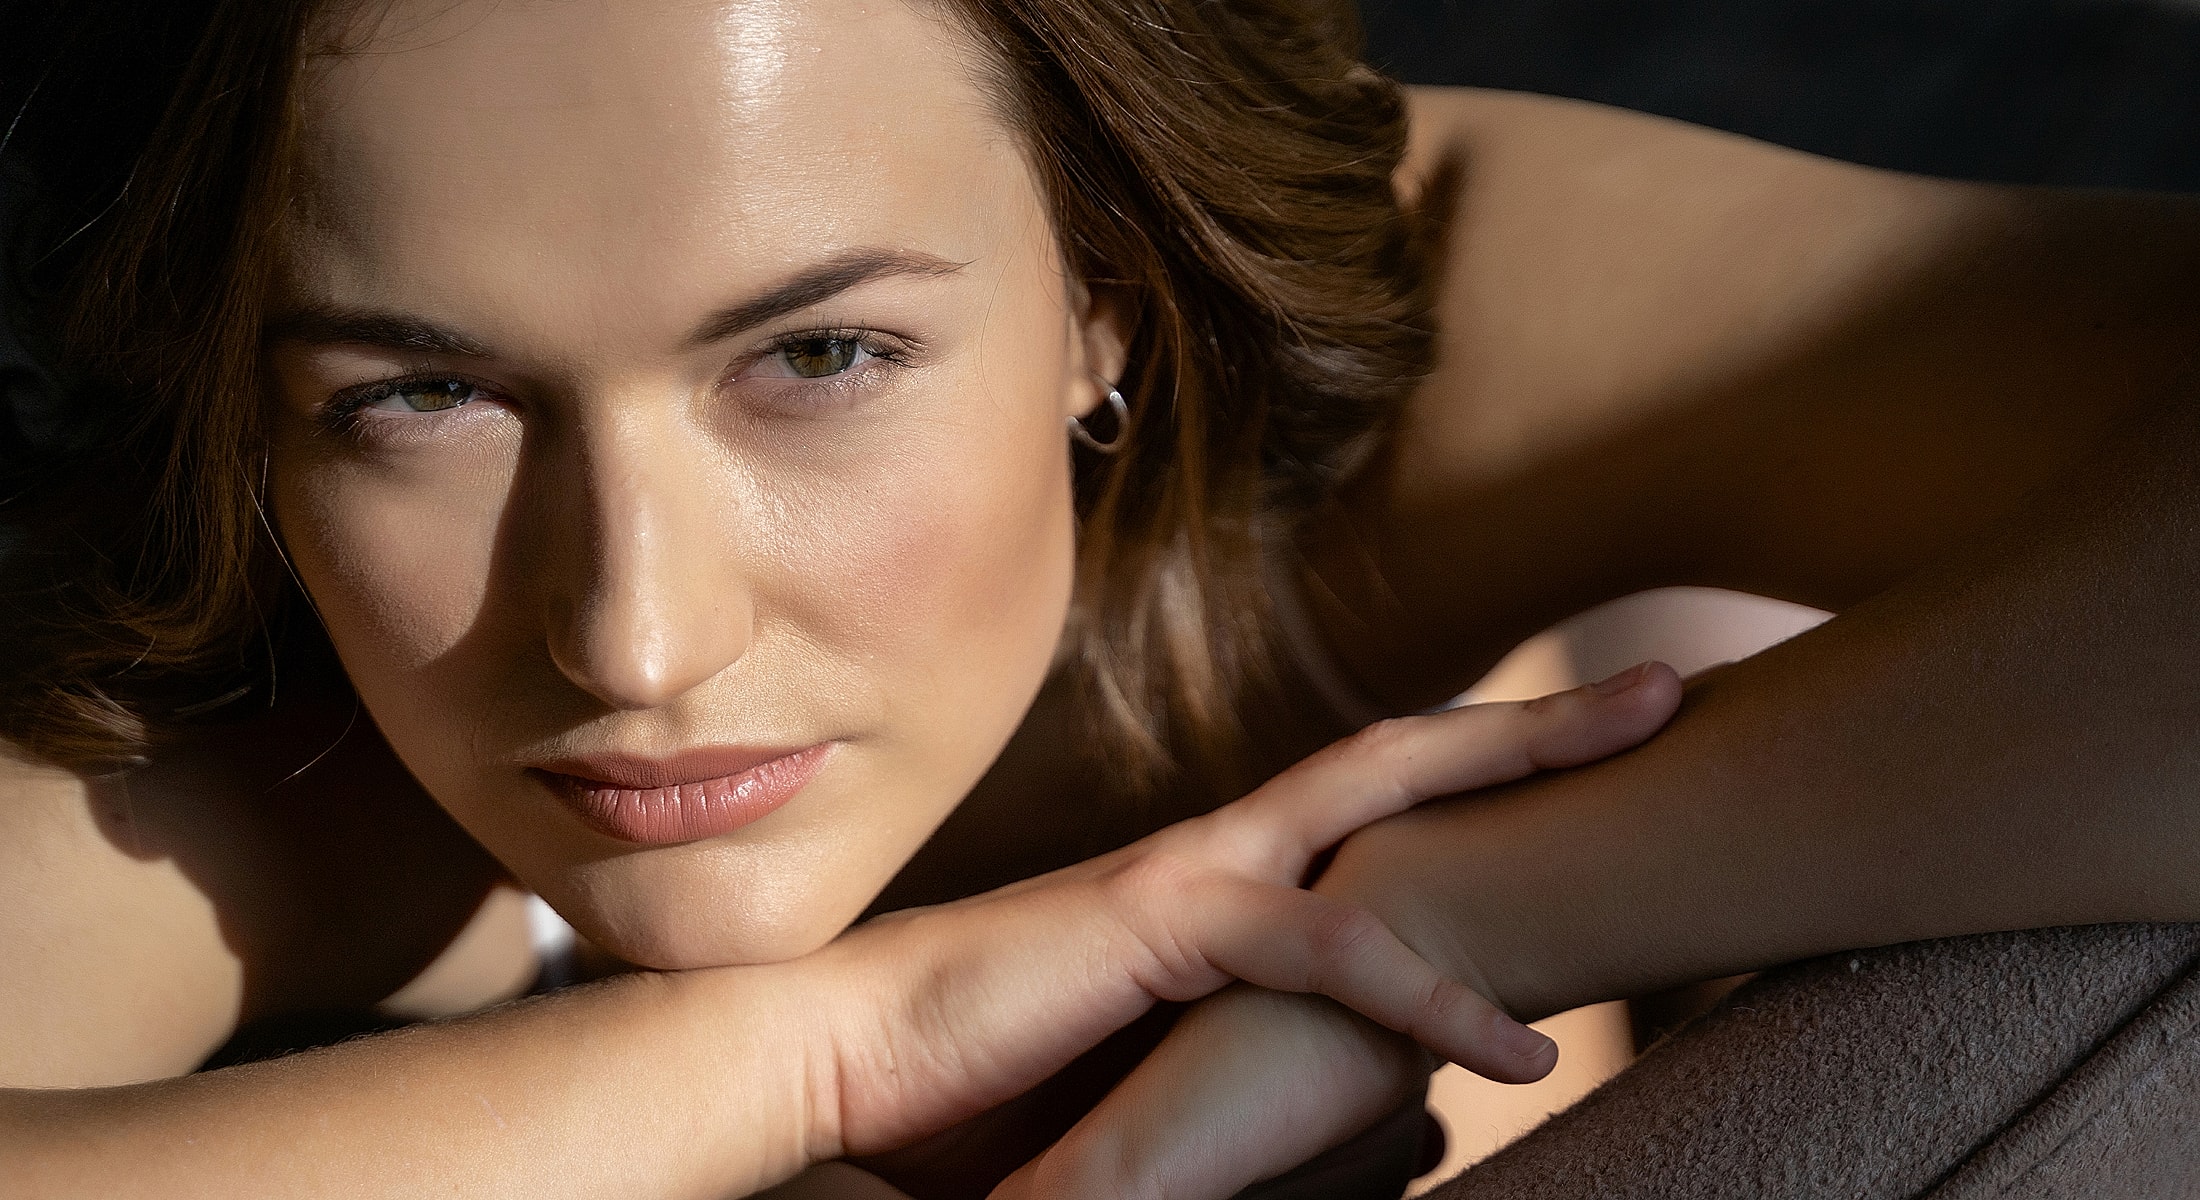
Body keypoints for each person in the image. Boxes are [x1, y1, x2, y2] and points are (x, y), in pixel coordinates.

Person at [5, 3, 2200, 1199]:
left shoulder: (1451, 328)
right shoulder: (231, 699)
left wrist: (1433, 923)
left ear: (1103, 301)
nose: (634, 643)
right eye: (420, 395)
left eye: (819, 353)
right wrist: (837, 1053)